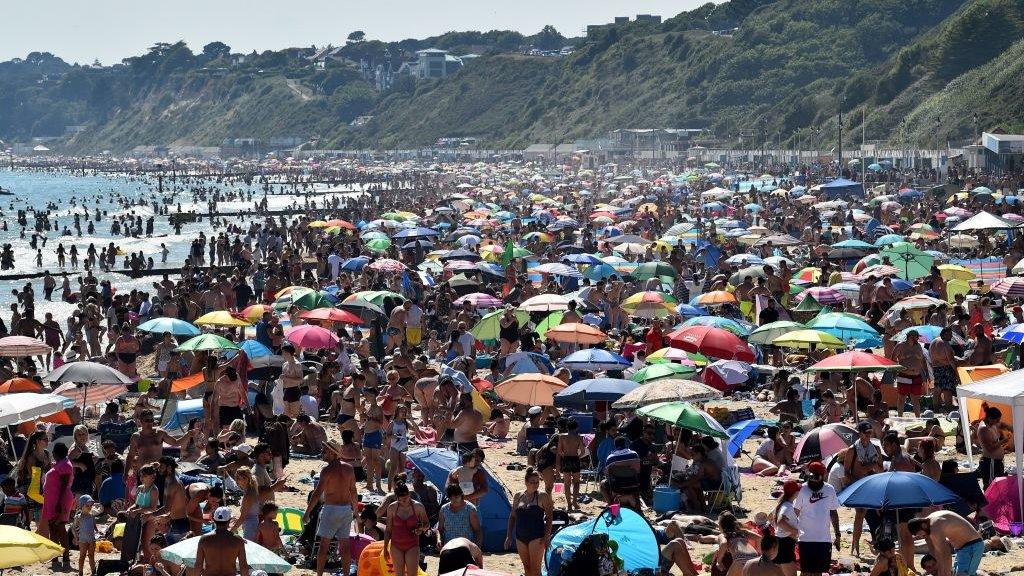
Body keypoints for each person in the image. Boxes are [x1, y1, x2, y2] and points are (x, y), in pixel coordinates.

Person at [305, 439, 357, 576]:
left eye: (325, 450)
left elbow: (316, 494)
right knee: (344, 546)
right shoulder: (349, 468)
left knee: (323, 546)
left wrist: (307, 513)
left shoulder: (326, 470)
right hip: (346, 509)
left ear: (334, 453)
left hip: (331, 509)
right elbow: (353, 491)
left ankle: (320, 574)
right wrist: (356, 510)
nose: (323, 453)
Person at [793, 461, 840, 576]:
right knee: (805, 572)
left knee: (818, 573)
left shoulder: (829, 489)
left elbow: (833, 512)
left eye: (816, 477)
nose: (813, 479)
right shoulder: (802, 489)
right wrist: (792, 533)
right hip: (805, 539)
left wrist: (837, 535)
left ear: (823, 476)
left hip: (824, 540)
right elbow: (795, 513)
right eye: (811, 476)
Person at [505, 467, 553, 576]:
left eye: (537, 482)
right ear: (526, 482)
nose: (535, 484)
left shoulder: (543, 496)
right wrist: (508, 536)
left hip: (537, 536)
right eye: (532, 482)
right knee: (527, 568)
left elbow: (550, 517)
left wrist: (547, 536)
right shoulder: (518, 495)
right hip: (520, 536)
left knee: (535, 570)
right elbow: (512, 517)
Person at [908, 511, 983, 576]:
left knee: (962, 574)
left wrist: (945, 571)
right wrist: (941, 569)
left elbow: (946, 552)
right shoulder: (932, 519)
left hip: (972, 546)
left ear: (923, 526)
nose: (921, 536)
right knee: (958, 573)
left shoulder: (934, 526)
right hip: (963, 549)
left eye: (919, 534)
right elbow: (939, 551)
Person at [39, 441, 74, 568]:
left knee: (60, 528)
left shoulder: (65, 464)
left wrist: (59, 503)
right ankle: (55, 557)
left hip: (60, 500)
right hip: (52, 500)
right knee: (52, 527)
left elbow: (64, 486)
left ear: (56, 453)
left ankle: (65, 557)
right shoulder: (60, 463)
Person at [383, 482, 429, 576]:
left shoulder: (418, 507)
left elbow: (427, 524)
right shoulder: (392, 508)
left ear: (409, 494)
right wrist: (385, 548)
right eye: (401, 500)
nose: (404, 502)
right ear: (397, 498)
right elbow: (388, 530)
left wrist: (421, 528)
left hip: (412, 544)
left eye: (406, 499)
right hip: (396, 545)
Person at [196, 506, 249, 576]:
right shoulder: (238, 540)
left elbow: (198, 566)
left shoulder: (204, 539)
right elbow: (243, 567)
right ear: (229, 520)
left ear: (214, 520)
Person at [714, 511, 761, 576]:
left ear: (721, 525)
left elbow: (723, 544)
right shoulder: (743, 532)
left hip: (740, 560)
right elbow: (759, 538)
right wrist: (759, 551)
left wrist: (719, 562)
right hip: (755, 558)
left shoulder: (723, 535)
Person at [771, 480, 800, 576]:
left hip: (782, 543)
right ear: (795, 492)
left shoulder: (784, 504)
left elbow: (770, 516)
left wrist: (778, 530)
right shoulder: (787, 506)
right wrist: (794, 531)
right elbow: (780, 521)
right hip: (785, 545)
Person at [975, 406, 1006, 488]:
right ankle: (989, 501)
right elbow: (990, 448)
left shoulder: (991, 425)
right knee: (991, 486)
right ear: (989, 418)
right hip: (990, 462)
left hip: (996, 462)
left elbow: (1002, 425)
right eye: (996, 420)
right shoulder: (984, 429)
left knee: (998, 485)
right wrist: (1003, 441)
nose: (998, 422)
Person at [73, 495, 98, 576]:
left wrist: (98, 532)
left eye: (91, 505)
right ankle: (80, 572)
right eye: (87, 506)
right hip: (82, 540)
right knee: (82, 556)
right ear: (81, 506)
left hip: (92, 539)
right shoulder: (78, 517)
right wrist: (76, 538)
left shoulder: (92, 516)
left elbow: (94, 526)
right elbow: (73, 528)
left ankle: (93, 572)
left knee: (91, 556)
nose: (90, 507)